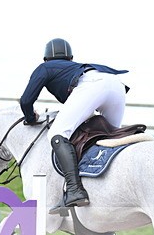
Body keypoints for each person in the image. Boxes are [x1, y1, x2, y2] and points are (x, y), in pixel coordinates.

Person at [20, 38, 129, 213]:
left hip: (92, 86)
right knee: (111, 136)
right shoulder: (75, 66)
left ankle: (74, 189)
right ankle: (109, 188)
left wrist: (31, 118)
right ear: (70, 58)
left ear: (46, 58)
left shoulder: (45, 68)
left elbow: (26, 100)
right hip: (115, 85)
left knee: (57, 134)